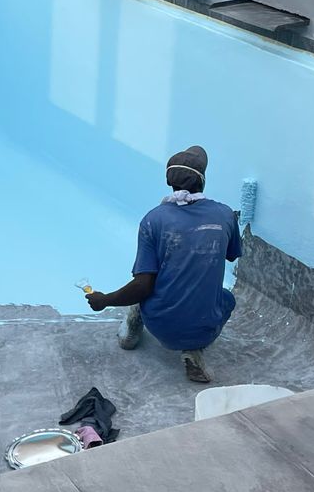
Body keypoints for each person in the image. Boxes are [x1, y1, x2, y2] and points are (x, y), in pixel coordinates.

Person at [84, 145, 240, 383]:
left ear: (170, 182)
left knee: (145, 288)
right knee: (227, 298)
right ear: (202, 180)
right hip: (203, 328)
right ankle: (193, 351)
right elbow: (231, 255)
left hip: (159, 324)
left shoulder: (153, 220)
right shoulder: (225, 215)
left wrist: (104, 300)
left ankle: (132, 328)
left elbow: (142, 286)